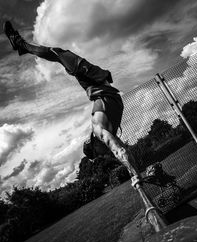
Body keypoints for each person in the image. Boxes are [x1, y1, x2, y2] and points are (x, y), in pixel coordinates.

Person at [3, 21, 141, 180]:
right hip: (96, 84)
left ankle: (21, 44)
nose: (100, 149)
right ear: (95, 148)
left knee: (57, 53)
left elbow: (118, 149)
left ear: (96, 150)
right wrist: (135, 173)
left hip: (96, 84)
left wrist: (133, 172)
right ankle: (20, 43)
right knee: (56, 53)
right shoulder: (103, 131)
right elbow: (120, 150)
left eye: (97, 149)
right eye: (94, 145)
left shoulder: (100, 131)